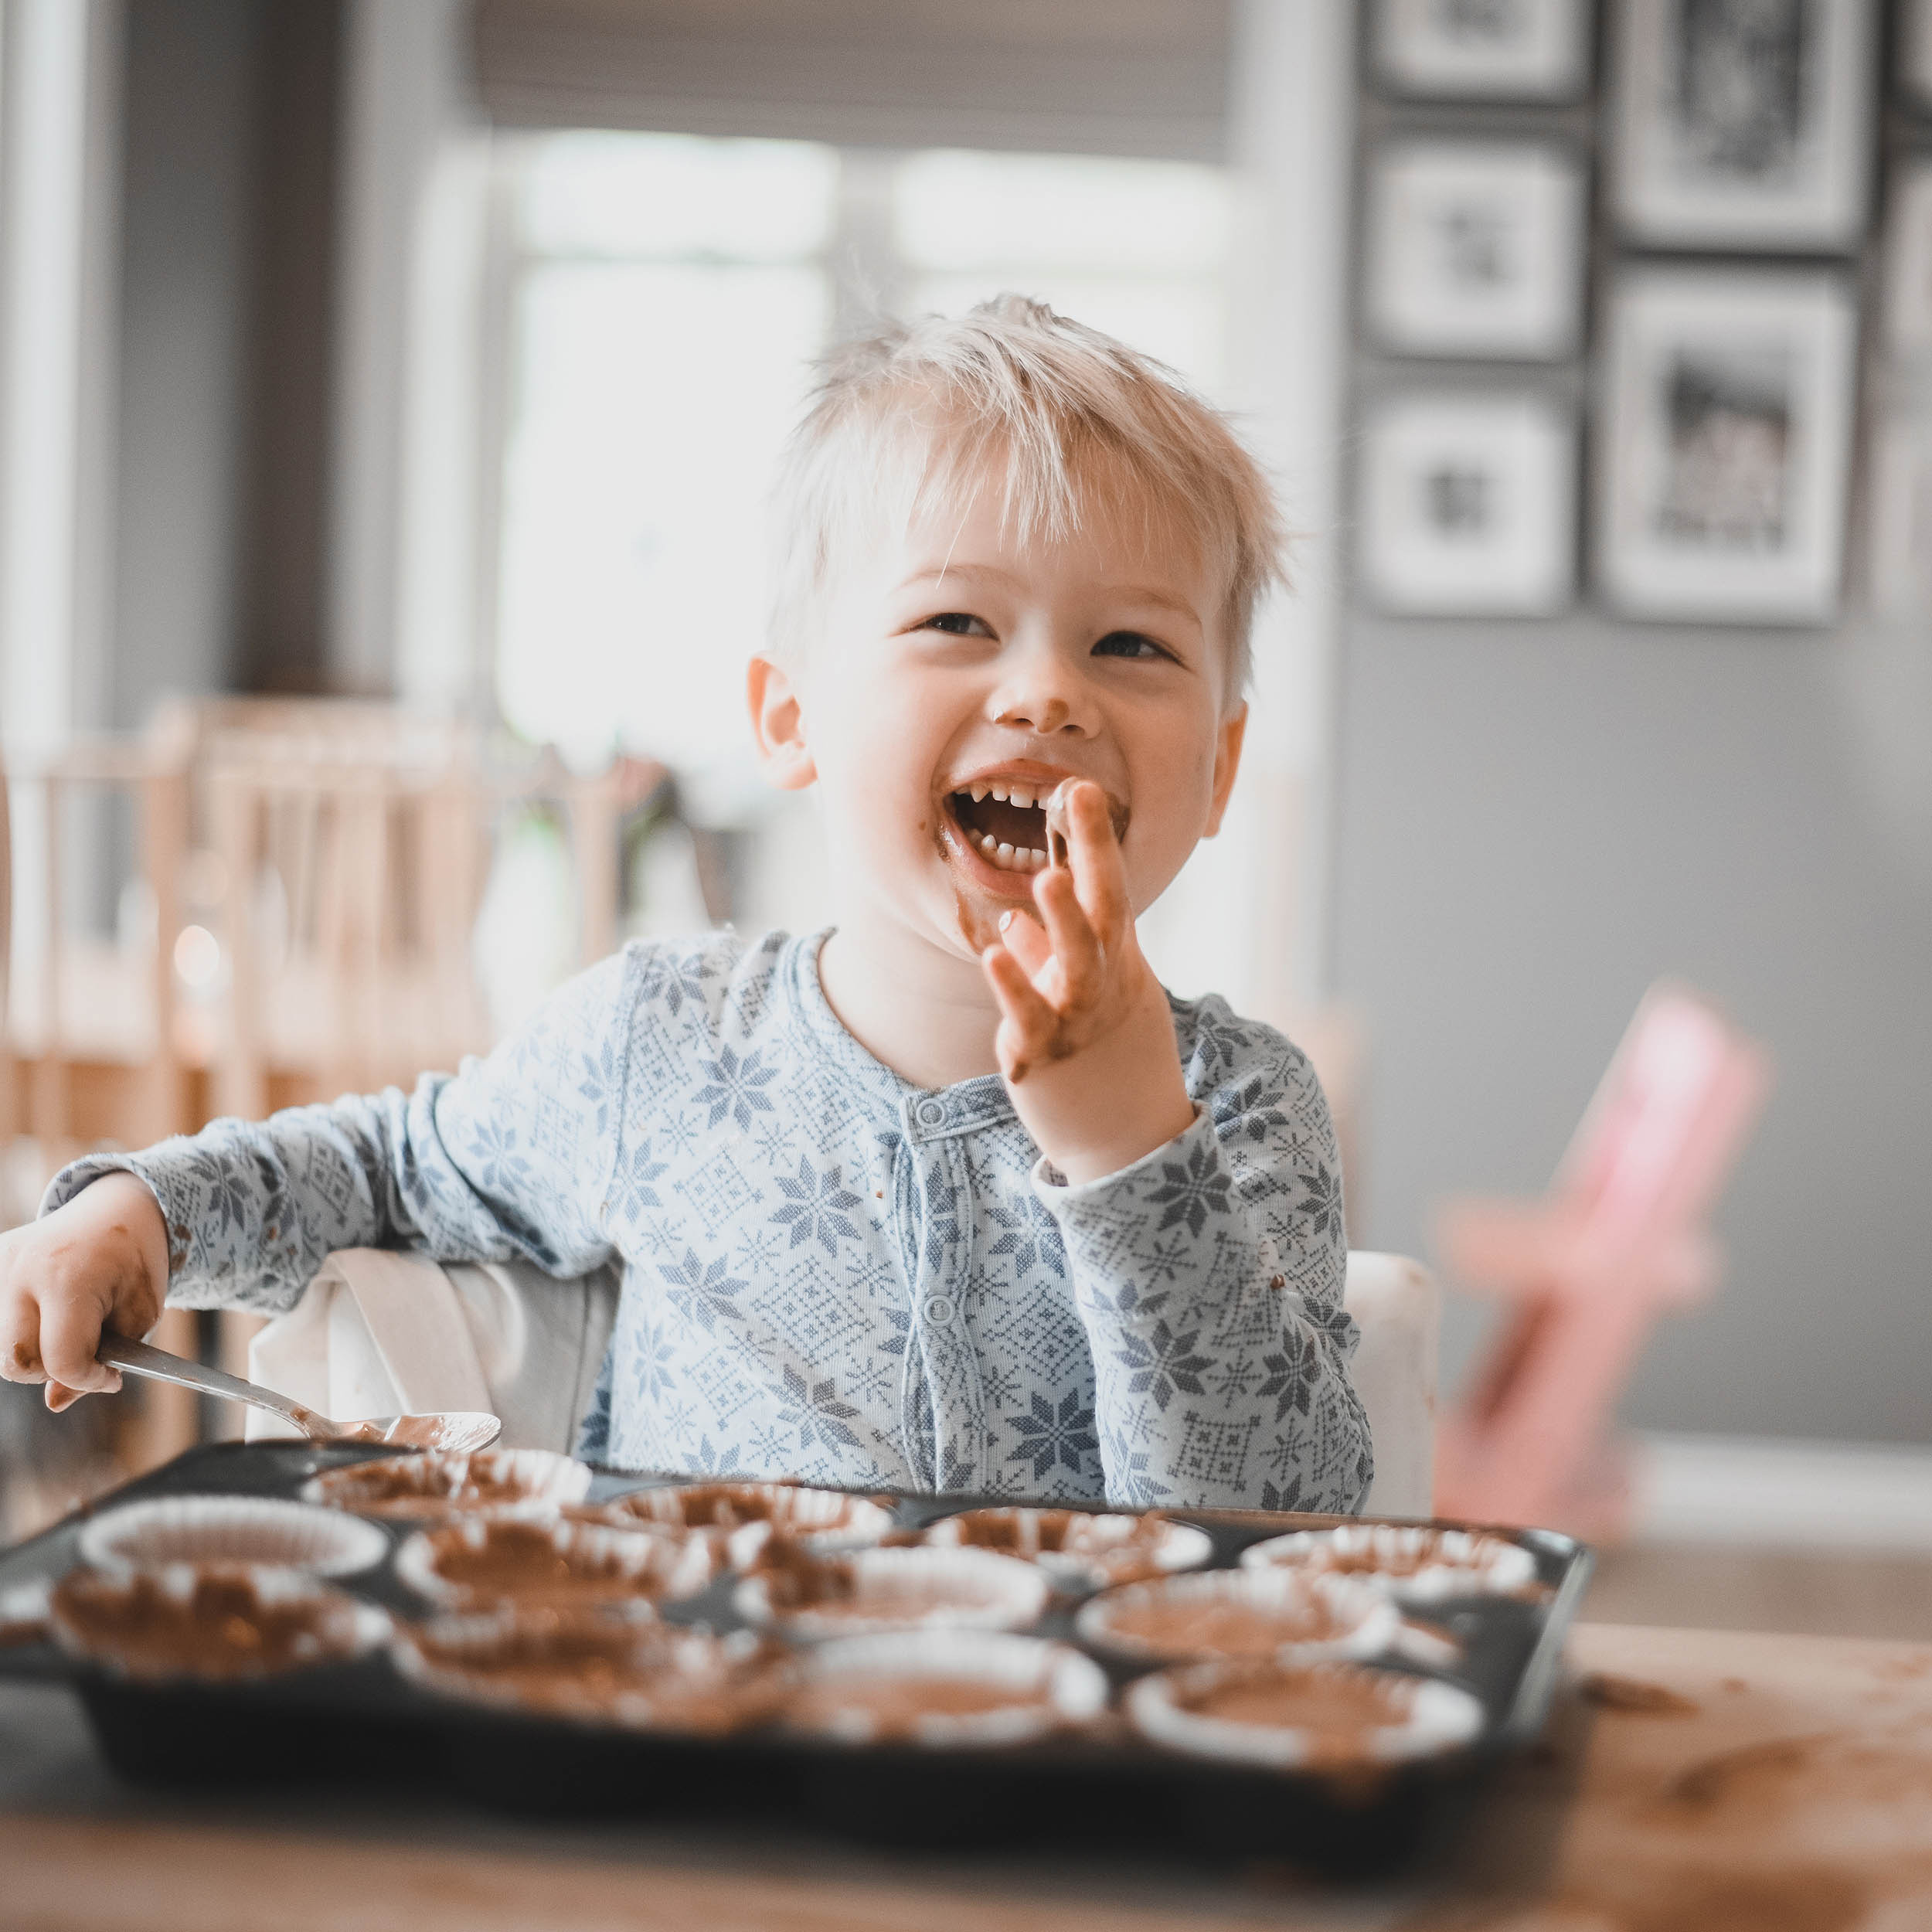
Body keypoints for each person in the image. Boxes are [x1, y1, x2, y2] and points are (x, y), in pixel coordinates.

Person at [0, 298, 1372, 1512]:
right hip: (693, 1731)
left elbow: (1278, 1529)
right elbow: (390, 1171)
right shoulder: (656, 1044)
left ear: (1221, 769)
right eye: (958, 623)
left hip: (1085, 1770)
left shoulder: (1245, 1109)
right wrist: (146, 1213)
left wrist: (1134, 1155)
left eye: (1131, 644)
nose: (1047, 695)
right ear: (790, 717)